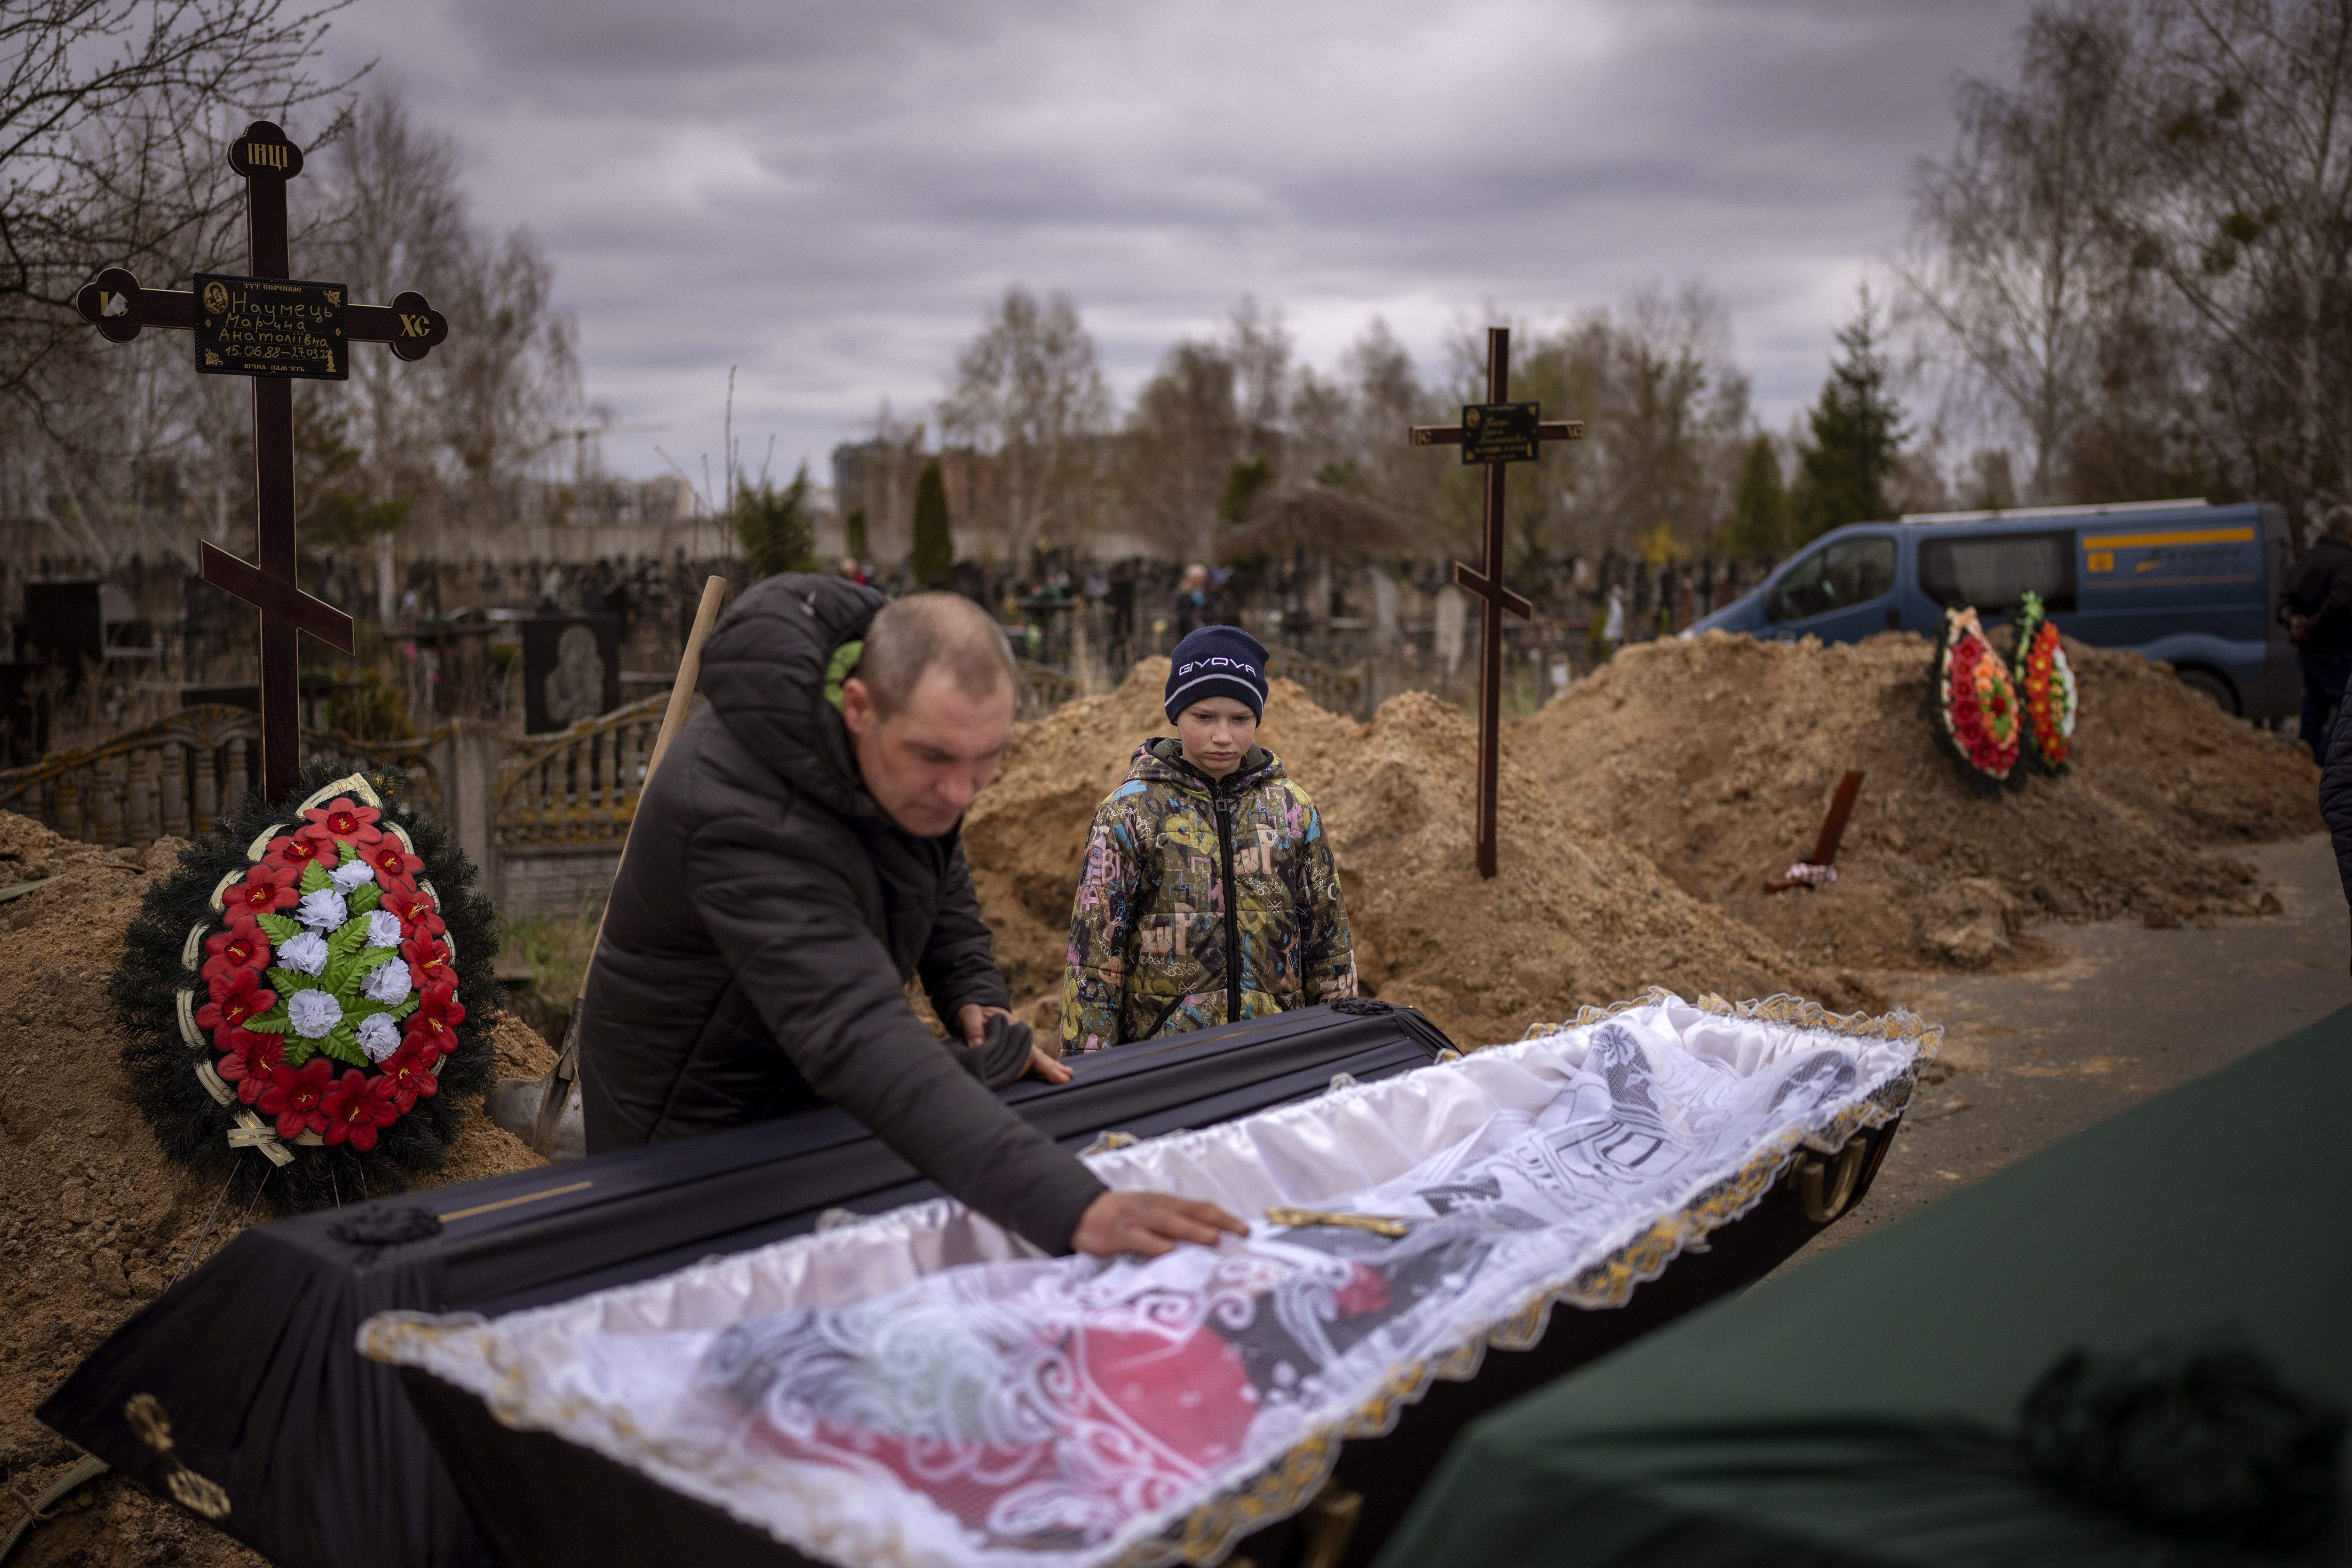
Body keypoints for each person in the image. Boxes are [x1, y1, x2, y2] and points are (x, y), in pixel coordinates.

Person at [579, 575, 1244, 1258]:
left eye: (985, 761)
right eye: (935, 759)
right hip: (690, 1127)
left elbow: (934, 855)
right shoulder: (732, 803)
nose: (959, 792)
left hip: (799, 1089)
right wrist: (1074, 1205)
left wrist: (971, 990)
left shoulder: (900, 751)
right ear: (860, 707)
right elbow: (854, 1033)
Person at [1061, 625, 1357, 1053]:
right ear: (1176, 713)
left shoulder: (1294, 812)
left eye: (1240, 719)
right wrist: (1090, 1073)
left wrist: (1340, 1045)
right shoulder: (1129, 813)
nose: (1223, 735)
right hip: (1165, 1061)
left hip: (1275, 1051)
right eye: (1204, 717)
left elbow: (1329, 944)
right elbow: (1093, 957)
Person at [2284, 505, 2352, 763]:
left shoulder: (2306, 559)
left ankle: (2306, 764)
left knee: (2314, 709)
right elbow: (2341, 601)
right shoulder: (2345, 561)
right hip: (2338, 650)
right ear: (2349, 530)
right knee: (2345, 708)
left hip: (2308, 650)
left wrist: (2295, 623)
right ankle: (2326, 761)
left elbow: (2286, 599)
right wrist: (2312, 625)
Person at [1169, 563, 1217, 642]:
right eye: (1199, 578)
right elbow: (1177, 608)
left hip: (1203, 624)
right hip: (1186, 627)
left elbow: (1209, 605)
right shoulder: (1182, 591)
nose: (1201, 581)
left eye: (1202, 579)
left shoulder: (1205, 591)